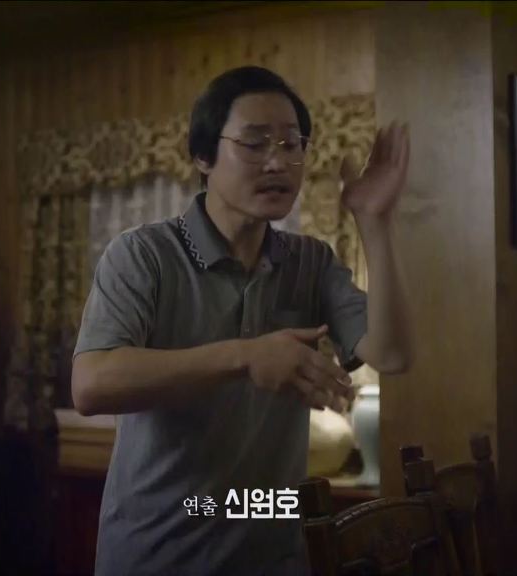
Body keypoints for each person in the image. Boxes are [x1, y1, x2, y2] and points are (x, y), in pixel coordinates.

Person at [72, 66, 411, 576]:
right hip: (156, 555)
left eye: (291, 144)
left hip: (273, 557)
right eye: (254, 144)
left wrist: (374, 221)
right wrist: (246, 357)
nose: (277, 162)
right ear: (203, 156)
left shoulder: (309, 262)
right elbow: (91, 384)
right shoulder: (144, 255)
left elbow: (392, 352)